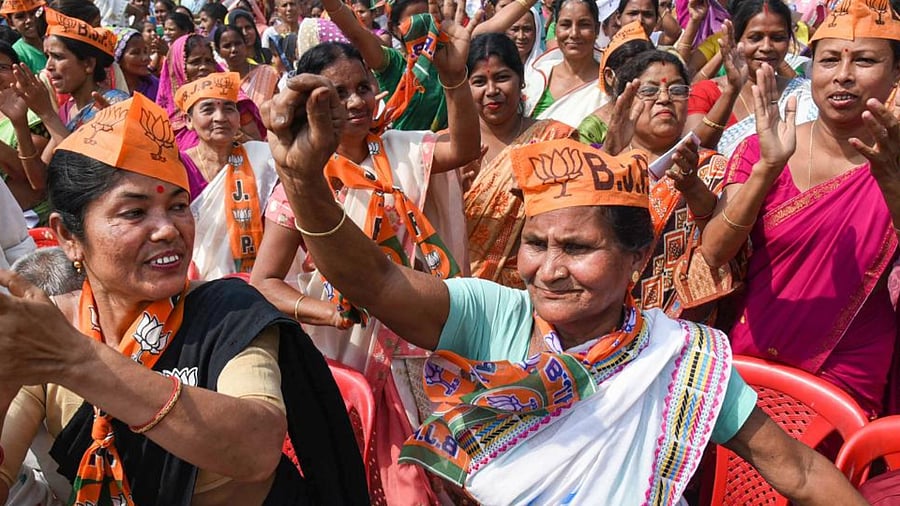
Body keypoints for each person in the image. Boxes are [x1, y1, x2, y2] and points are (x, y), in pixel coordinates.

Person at [260, 56, 870, 506]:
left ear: (638, 258)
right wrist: (306, 186)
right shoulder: (494, 313)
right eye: (536, 243)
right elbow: (375, 281)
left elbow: (800, 473)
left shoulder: (677, 361)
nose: (548, 270)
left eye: (577, 249)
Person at [0, 94, 369, 505]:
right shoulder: (49, 329)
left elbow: (257, 447)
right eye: (134, 213)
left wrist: (80, 361)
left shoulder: (228, 311)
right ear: (68, 237)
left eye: (178, 206)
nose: (167, 230)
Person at [250, 9, 480, 500]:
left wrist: (454, 77)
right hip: (351, 349)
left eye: (362, 88)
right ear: (314, 105)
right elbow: (264, 282)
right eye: (337, 94)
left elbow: (463, 146)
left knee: (453, 477)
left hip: (424, 333)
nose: (354, 102)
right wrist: (328, 314)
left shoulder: (400, 150)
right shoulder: (303, 179)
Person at [699, 0, 900, 417]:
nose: (843, 75)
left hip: (847, 368)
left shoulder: (896, 159)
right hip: (749, 363)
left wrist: (892, 182)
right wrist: (767, 169)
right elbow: (715, 254)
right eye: (828, 60)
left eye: (864, 60)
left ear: (896, 73)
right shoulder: (762, 147)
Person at [610, 49, 733, 324]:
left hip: (680, 328)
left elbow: (729, 249)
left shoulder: (713, 168)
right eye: (650, 91)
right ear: (626, 100)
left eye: (677, 90)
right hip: (601, 323)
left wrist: (691, 187)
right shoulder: (601, 163)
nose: (664, 99)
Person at [463, 33, 575, 288]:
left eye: (502, 77)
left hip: (533, 288)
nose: (492, 91)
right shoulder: (447, 150)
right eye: (479, 81)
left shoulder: (554, 139)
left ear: (521, 80)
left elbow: (576, 216)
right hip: (460, 293)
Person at [177, 72, 278, 279]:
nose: (220, 118)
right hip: (194, 282)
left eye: (229, 109)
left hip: (259, 278)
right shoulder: (177, 167)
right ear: (188, 121)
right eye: (208, 109)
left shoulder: (262, 158)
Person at [686, 0, 818, 157]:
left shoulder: (804, 94)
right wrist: (732, 91)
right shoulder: (705, 93)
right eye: (755, 38)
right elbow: (693, 151)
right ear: (735, 39)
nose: (766, 47)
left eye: (778, 38)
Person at [323, 0, 451, 131]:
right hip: (403, 149)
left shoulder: (449, 63)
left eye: (427, 17)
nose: (424, 25)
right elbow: (356, 34)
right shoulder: (393, 64)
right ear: (393, 28)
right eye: (415, 22)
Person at [156, 33, 265, 150]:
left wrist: (235, 138)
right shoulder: (165, 116)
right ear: (178, 66)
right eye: (195, 62)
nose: (204, 67)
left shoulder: (232, 98)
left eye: (208, 61)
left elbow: (257, 145)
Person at [522, 0, 605, 126]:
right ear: (555, 30)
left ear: (597, 29)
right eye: (565, 25)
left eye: (584, 25)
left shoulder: (609, 86)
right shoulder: (535, 77)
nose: (574, 34)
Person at [577, 20, 652, 146]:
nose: (640, 81)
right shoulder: (592, 130)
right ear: (610, 76)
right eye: (631, 73)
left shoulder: (662, 112)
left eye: (648, 73)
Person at [0, 41, 50, 226]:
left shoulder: (31, 113)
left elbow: (31, 179)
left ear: (17, 72)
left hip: (28, 226)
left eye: (1, 67)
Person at [215, 25, 280, 106]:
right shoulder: (217, 79)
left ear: (245, 45)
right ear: (218, 51)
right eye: (227, 46)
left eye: (238, 43)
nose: (234, 49)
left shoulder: (267, 73)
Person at [0, 0, 47, 74]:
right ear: (10, 23)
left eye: (33, 13)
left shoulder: (56, 40)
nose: (29, 20)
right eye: (20, 17)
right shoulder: (18, 54)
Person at [114, 28, 159, 100]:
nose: (146, 58)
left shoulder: (156, 88)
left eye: (145, 51)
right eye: (136, 53)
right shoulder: (107, 92)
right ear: (118, 58)